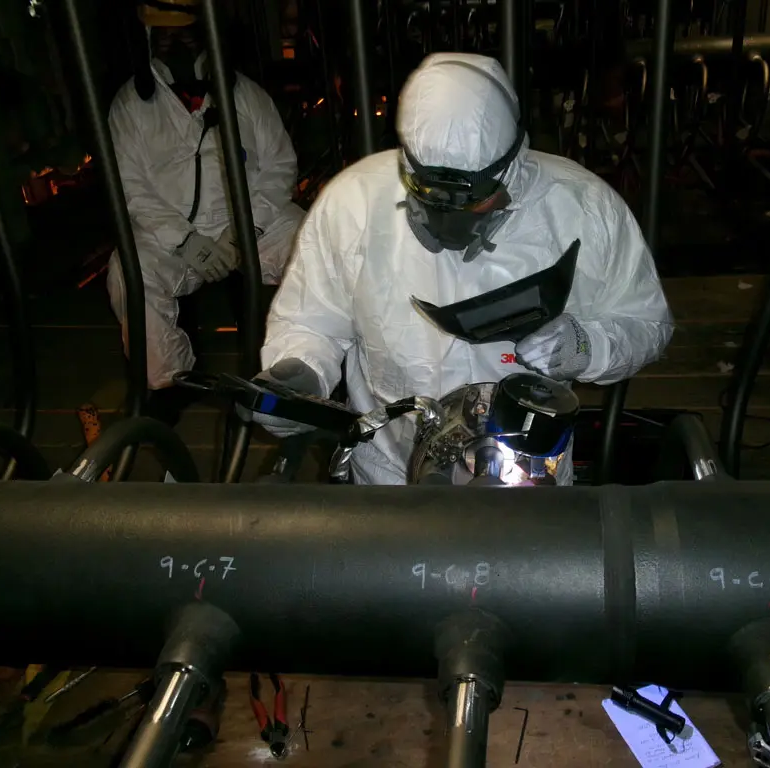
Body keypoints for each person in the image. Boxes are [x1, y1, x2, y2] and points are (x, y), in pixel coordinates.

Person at [255, 53, 673, 485]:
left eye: (474, 200)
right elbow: (310, 319)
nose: (451, 222)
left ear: (512, 163)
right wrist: (300, 371)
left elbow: (646, 322)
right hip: (391, 473)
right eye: (432, 197)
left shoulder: (582, 209)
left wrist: (587, 346)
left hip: (525, 476)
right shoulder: (354, 204)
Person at [106, 0, 305, 422]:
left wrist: (245, 228)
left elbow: (280, 164)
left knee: (312, 246)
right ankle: (167, 381)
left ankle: (302, 367)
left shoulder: (246, 95)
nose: (175, 46)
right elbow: (130, 188)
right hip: (176, 238)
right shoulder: (128, 107)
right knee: (128, 272)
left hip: (249, 228)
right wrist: (183, 240)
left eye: (185, 34)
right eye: (163, 36)